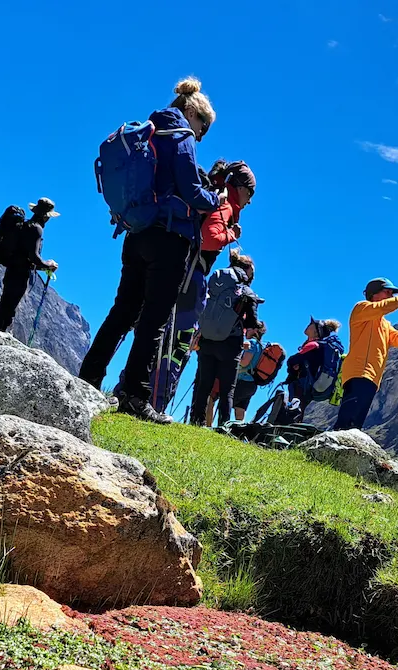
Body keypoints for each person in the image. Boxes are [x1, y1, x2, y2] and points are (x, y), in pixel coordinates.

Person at [79, 78, 220, 423]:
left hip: (136, 232)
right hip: (169, 238)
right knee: (154, 319)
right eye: (203, 128)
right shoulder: (181, 137)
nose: (200, 136)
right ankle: (135, 397)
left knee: (122, 310)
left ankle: (88, 378)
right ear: (192, 112)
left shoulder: (148, 130)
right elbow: (190, 190)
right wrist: (214, 199)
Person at [170, 160, 257, 367]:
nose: (249, 201)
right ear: (241, 188)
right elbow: (208, 238)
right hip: (192, 273)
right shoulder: (225, 204)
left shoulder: (217, 197)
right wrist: (231, 234)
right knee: (178, 340)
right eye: (250, 194)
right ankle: (155, 390)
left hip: (180, 265)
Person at [334, 278, 398, 432]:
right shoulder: (361, 308)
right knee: (347, 420)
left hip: (372, 378)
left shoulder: (385, 324)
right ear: (373, 294)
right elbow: (385, 306)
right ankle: (330, 450)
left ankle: (338, 451)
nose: (390, 296)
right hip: (358, 372)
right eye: (387, 292)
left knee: (355, 424)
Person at [190, 249, 260, 426]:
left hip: (207, 339)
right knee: (227, 389)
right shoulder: (246, 291)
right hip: (230, 343)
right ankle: (223, 425)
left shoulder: (217, 278)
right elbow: (252, 322)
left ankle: (196, 421)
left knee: (204, 383)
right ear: (247, 271)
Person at [0, 198, 58, 332]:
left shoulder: (25, 226)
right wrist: (48, 264)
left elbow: (25, 258)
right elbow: (34, 257)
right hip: (19, 274)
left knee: (6, 303)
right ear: (46, 216)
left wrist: (44, 267)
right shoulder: (37, 229)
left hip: (12, 269)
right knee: (9, 305)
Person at [287, 318, 343, 413]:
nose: (309, 324)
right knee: (301, 407)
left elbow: (292, 360)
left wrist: (293, 366)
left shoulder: (313, 345)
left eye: (312, 324)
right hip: (314, 385)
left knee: (295, 405)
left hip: (304, 384)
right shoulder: (323, 347)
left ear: (317, 332)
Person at [230, 322, 268, 421]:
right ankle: (238, 432)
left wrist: (231, 359)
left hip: (242, 380)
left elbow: (244, 363)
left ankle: (222, 427)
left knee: (227, 403)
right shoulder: (261, 346)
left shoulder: (252, 343)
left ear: (255, 330)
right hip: (252, 383)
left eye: (249, 329)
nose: (246, 331)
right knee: (240, 408)